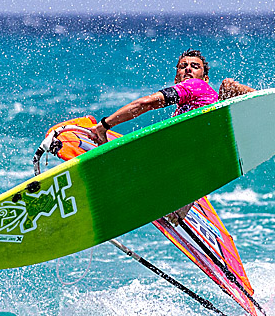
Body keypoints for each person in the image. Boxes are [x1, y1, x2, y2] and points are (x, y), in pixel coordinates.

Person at [86, 49, 255, 226]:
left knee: (227, 86)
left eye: (195, 66)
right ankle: (188, 196)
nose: (188, 69)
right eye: (183, 66)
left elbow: (146, 103)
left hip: (207, 151)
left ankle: (188, 196)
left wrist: (104, 126)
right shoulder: (184, 111)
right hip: (206, 158)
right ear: (176, 78)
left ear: (204, 79)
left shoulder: (196, 86)